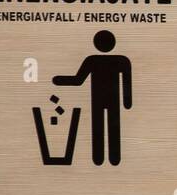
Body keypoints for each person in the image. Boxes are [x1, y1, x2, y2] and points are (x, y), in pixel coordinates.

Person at [53, 30, 132, 166]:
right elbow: (127, 82)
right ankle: (113, 159)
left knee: (99, 127)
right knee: (111, 127)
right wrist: (127, 102)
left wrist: (58, 80)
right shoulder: (121, 60)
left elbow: (78, 80)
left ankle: (100, 159)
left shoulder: (93, 60)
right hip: (111, 100)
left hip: (98, 100)